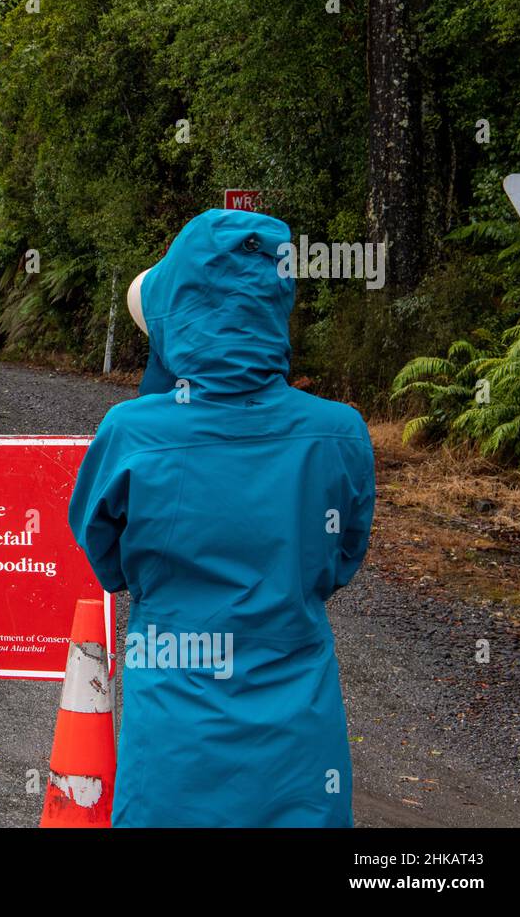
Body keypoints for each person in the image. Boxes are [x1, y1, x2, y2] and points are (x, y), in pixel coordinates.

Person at [69, 208, 375, 827]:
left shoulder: (131, 434)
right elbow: (342, 559)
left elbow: (102, 551)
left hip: (175, 736)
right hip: (300, 733)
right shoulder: (340, 432)